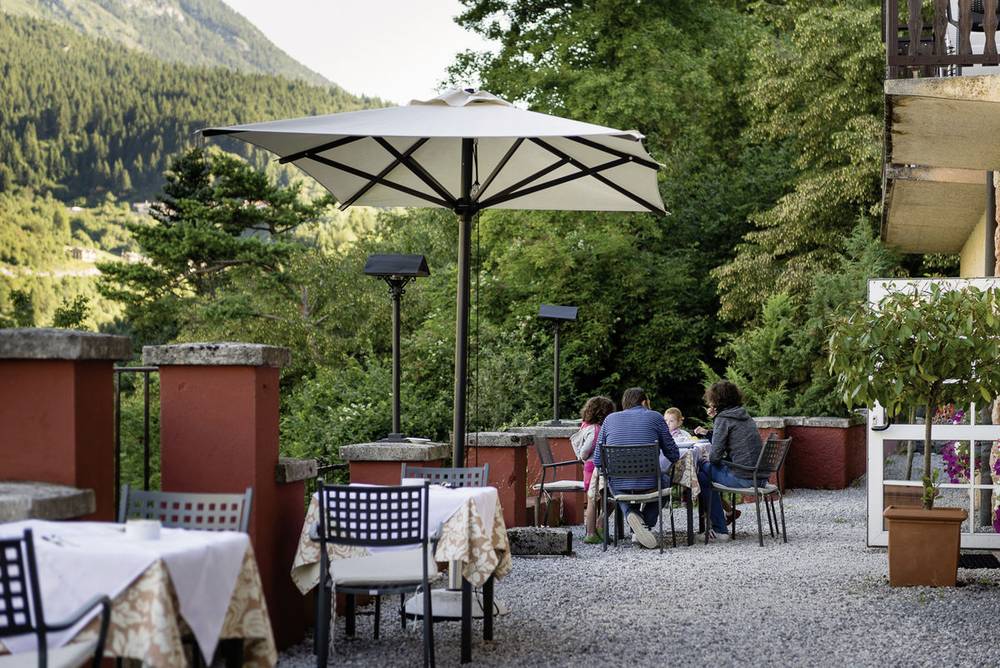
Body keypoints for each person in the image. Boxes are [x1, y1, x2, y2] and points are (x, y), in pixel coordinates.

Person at [592, 387, 678, 549]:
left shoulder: (609, 419)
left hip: (619, 484)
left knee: (612, 482)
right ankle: (644, 524)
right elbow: (673, 454)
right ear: (644, 402)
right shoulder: (655, 417)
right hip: (651, 483)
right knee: (665, 481)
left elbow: (597, 460)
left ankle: (632, 514)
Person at [698, 380, 762, 541]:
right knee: (705, 474)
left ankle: (720, 530)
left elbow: (715, 457)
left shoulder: (723, 418)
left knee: (700, 471)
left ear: (717, 400)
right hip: (760, 476)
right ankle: (724, 519)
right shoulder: (743, 415)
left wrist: (706, 459)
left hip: (744, 477)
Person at [579, 396, 616, 545]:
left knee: (597, 499)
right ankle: (592, 532)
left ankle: (597, 529)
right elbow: (584, 452)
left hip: (592, 467)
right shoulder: (595, 430)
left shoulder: (585, 426)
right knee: (594, 500)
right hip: (593, 468)